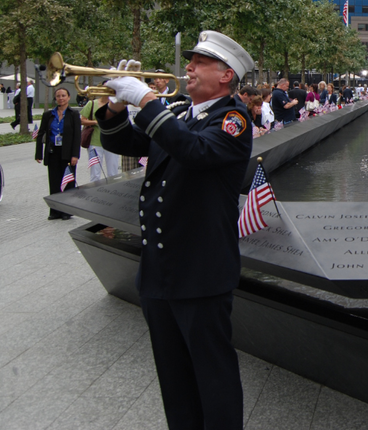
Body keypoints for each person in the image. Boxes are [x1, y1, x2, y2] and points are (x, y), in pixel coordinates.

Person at [96, 30, 254, 430]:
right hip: (160, 270)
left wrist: (147, 100)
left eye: (199, 62)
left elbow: (195, 152)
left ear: (225, 75)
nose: (188, 68)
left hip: (200, 272)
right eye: (191, 60)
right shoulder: (181, 114)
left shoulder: (232, 119)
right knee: (173, 375)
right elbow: (127, 143)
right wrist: (115, 108)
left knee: (212, 373)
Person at [35, 86, 81, 219]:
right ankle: (55, 211)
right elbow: (41, 133)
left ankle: (67, 211)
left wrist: (75, 155)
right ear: (55, 98)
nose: (61, 98)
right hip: (53, 151)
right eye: (58, 96)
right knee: (54, 182)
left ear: (68, 98)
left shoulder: (73, 114)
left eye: (63, 96)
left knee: (68, 182)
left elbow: (77, 135)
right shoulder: (48, 115)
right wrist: (39, 153)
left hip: (68, 152)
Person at [80, 95, 121, 182]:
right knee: (95, 172)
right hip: (95, 142)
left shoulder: (116, 104)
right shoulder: (92, 104)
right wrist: (95, 122)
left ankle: (113, 191)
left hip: (112, 142)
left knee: (113, 172)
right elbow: (82, 120)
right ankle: (95, 192)